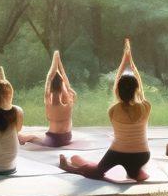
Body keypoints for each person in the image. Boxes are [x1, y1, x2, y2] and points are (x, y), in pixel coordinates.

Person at [59, 39, 152, 181]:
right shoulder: (145, 106)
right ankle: (133, 172)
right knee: (134, 174)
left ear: (118, 91)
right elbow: (139, 88)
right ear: (137, 90)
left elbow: (117, 87)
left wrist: (123, 61)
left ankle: (70, 167)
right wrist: (130, 62)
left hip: (117, 153)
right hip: (141, 156)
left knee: (97, 172)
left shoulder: (113, 110)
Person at [20, 51, 77, 148]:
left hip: (53, 140)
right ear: (63, 85)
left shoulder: (48, 102)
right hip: (67, 137)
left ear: (50, 87)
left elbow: (49, 78)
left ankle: (20, 138)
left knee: (27, 137)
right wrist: (58, 60)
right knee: (34, 136)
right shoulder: (71, 100)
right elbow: (66, 82)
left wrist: (55, 56)